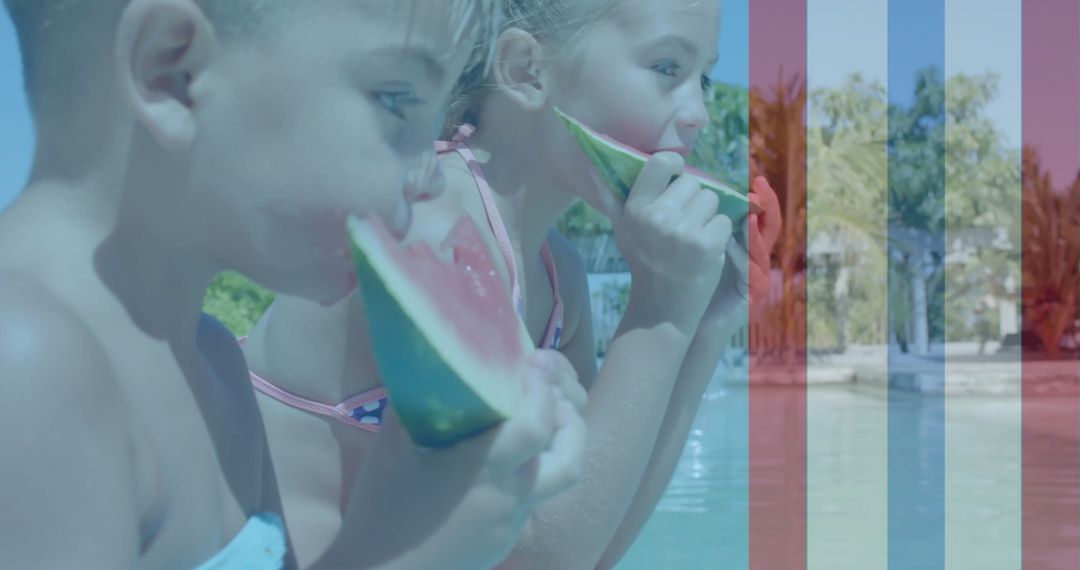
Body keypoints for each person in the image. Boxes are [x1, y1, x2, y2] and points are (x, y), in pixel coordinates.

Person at [0, 1, 584, 568]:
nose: (432, 174)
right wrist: (404, 554)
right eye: (397, 101)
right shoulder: (26, 363)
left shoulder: (215, 365)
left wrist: (412, 480)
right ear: (173, 72)